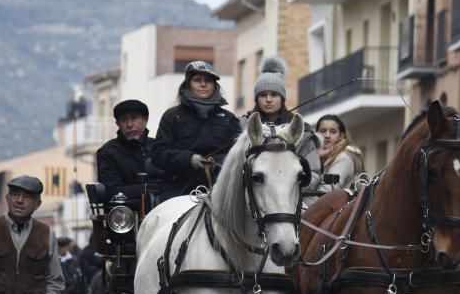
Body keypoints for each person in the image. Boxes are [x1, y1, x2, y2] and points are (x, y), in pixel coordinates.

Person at [150, 61, 241, 199]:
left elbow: (239, 153)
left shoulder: (228, 119)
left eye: (208, 81)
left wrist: (217, 161)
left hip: (220, 187)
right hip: (178, 187)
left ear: (214, 85)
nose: (203, 84)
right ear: (188, 84)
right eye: (197, 80)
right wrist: (189, 159)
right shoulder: (172, 116)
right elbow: (158, 154)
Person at [251, 57, 321, 196]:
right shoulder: (241, 127)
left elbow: (314, 173)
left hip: (295, 202)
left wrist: (289, 189)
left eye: (274, 94)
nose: (269, 99)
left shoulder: (304, 132)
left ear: (282, 98)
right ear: (257, 98)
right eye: (263, 95)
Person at [96, 99, 160, 199]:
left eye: (134, 118)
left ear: (146, 120)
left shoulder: (159, 147)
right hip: (127, 212)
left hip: (164, 209)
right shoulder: (107, 152)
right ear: (118, 124)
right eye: (123, 120)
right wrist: (153, 188)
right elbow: (112, 191)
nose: (129, 124)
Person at [315, 114, 363, 192]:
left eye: (333, 132)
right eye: (323, 131)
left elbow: (326, 191)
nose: (327, 135)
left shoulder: (342, 158)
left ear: (341, 135)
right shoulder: (314, 156)